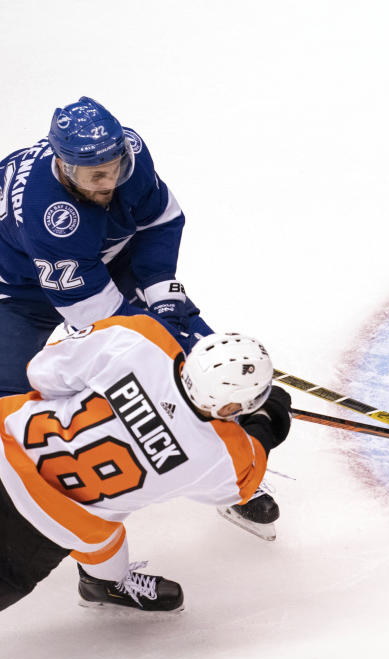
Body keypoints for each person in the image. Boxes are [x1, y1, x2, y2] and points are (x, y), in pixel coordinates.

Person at [0, 96, 278, 527]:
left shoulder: (130, 155)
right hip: (16, 291)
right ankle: (41, 501)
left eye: (117, 168)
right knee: (13, 399)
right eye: (96, 176)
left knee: (208, 360)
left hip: (103, 258)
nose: (110, 182)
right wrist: (162, 344)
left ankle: (228, 469)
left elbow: (161, 220)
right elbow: (103, 324)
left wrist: (165, 299)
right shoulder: (50, 217)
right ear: (64, 167)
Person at [0, 315, 292, 612]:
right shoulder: (223, 456)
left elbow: (43, 372)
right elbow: (243, 484)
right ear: (232, 406)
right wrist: (268, 417)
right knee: (99, 530)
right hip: (49, 525)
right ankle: (106, 584)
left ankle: (105, 582)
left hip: (5, 439)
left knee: (104, 536)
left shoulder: (138, 337)